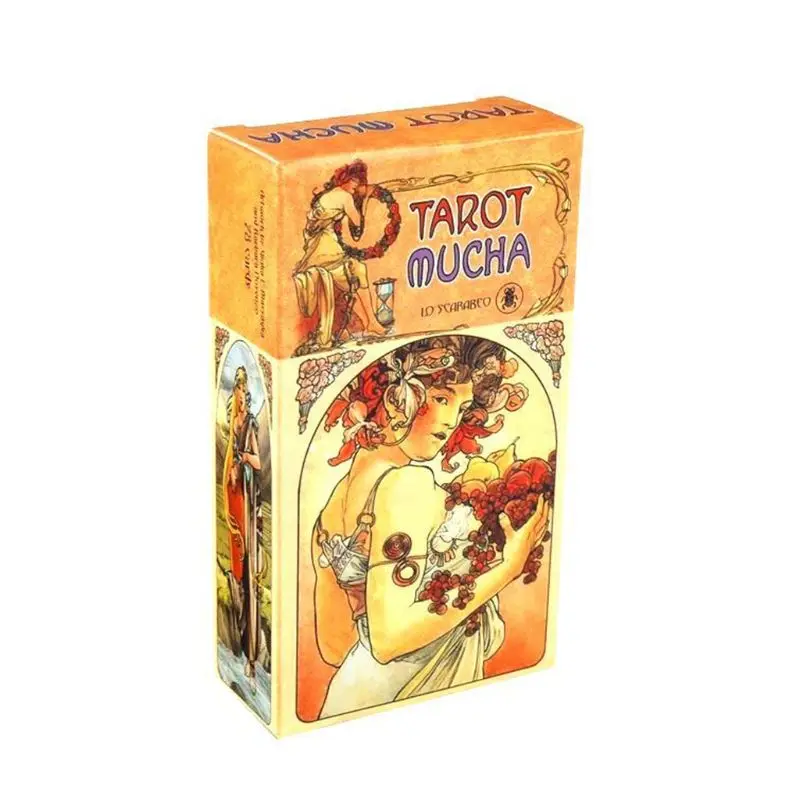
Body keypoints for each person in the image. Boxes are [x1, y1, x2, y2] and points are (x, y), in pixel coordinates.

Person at [311, 336, 548, 717]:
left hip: (353, 700)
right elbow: (388, 640)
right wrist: (507, 569)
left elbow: (334, 646)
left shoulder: (328, 515)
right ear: (395, 397)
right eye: (441, 398)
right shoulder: (408, 484)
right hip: (408, 698)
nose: (452, 421)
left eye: (463, 407)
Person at [293, 160, 387, 350]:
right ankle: (371, 322)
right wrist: (363, 203)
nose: (356, 187)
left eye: (359, 183)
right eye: (355, 182)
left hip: (317, 250)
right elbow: (357, 224)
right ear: (347, 179)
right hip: (325, 252)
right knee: (358, 270)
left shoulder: (329, 195)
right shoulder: (344, 197)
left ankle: (371, 322)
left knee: (359, 270)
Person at [223, 366, 262, 682]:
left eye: (244, 393)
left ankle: (251, 656)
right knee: (236, 572)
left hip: (248, 503)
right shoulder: (233, 425)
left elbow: (257, 462)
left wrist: (243, 460)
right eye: (238, 391)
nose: (241, 398)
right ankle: (238, 642)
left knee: (250, 576)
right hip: (235, 502)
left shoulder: (250, 424)